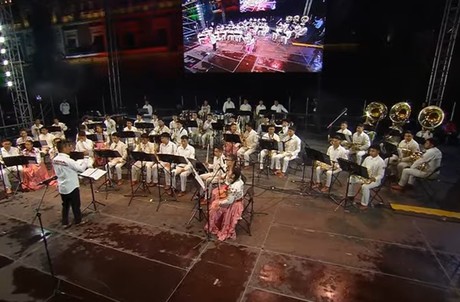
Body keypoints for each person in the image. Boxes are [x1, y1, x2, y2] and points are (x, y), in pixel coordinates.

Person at [52, 140, 89, 228]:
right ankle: (78, 221)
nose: (70, 148)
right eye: (69, 146)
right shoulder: (68, 160)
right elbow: (81, 169)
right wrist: (86, 159)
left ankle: (65, 222)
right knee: (76, 205)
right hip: (72, 185)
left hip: (62, 186)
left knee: (65, 205)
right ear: (64, 148)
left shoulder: (55, 159)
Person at [205, 167, 245, 241]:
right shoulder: (238, 179)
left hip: (233, 206)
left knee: (215, 206)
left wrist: (219, 202)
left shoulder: (234, 186)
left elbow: (229, 201)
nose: (228, 172)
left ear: (233, 175)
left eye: (229, 171)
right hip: (237, 201)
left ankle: (215, 224)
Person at [347, 145, 385, 209]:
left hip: (374, 180)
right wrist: (357, 173)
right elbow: (362, 167)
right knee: (351, 178)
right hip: (365, 177)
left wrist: (374, 178)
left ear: (378, 152)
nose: (371, 152)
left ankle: (364, 204)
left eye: (373, 151)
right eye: (370, 151)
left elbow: (381, 175)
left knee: (365, 186)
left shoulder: (381, 162)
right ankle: (351, 195)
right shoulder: (367, 158)